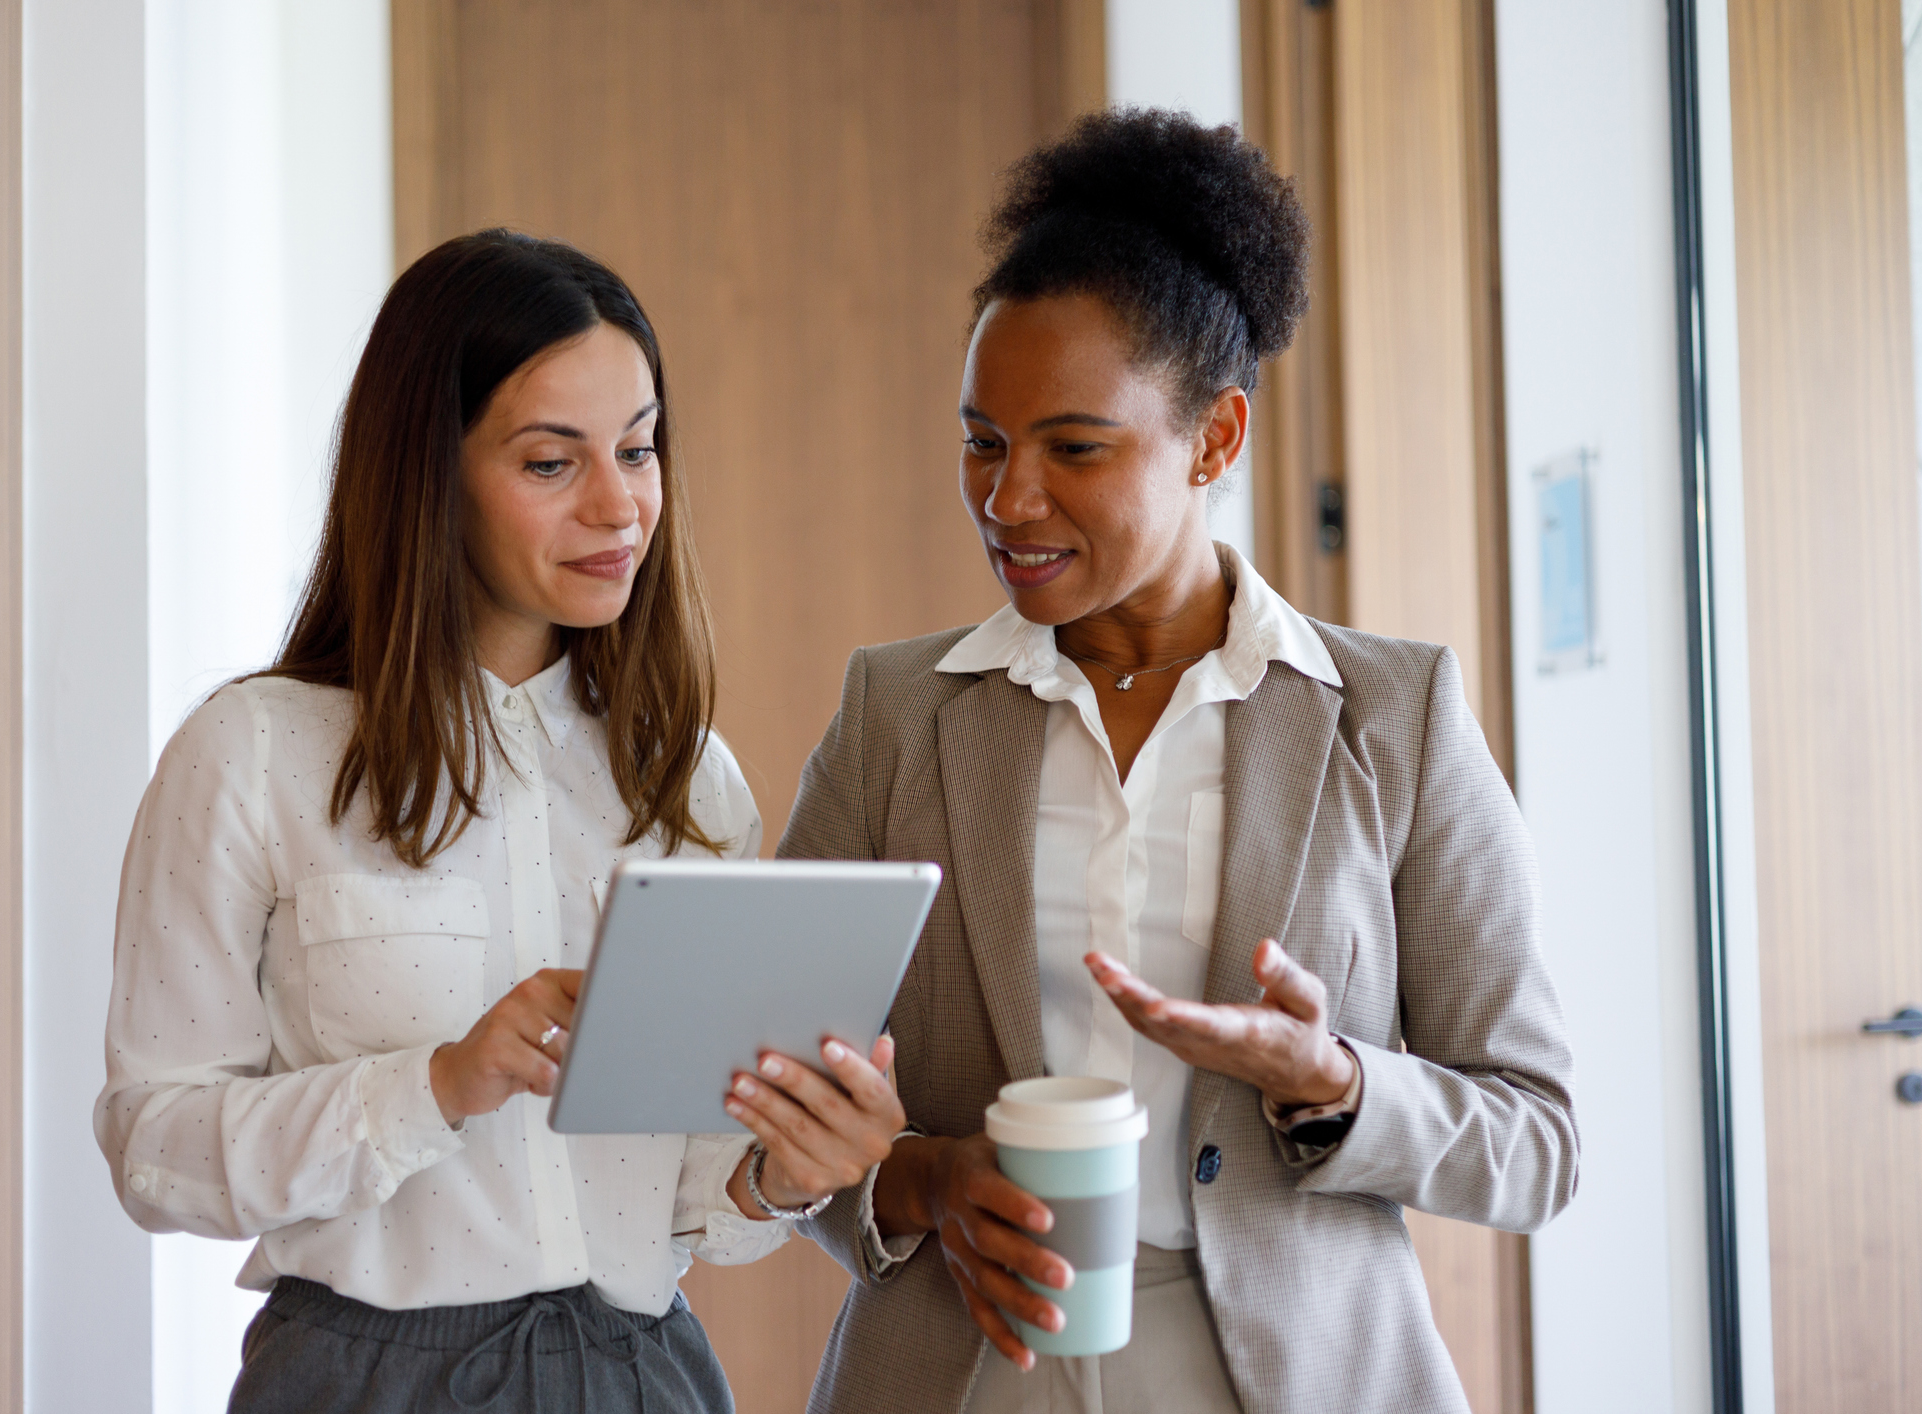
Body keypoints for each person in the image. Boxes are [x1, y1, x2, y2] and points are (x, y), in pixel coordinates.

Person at [781, 110, 1578, 1414]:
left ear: (1214, 439)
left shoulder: (1392, 714)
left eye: (1073, 447)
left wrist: (1335, 1085)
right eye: (982, 439)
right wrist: (917, 1177)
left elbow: (1535, 1141)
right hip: (967, 1363)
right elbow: (778, 1108)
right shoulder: (896, 711)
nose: (1006, 498)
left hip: (1290, 1374)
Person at [96, 230, 905, 1414]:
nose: (619, 504)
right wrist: (434, 1084)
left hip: (646, 1373)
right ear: (430, 471)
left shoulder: (683, 777)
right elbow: (154, 1149)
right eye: (549, 463)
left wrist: (786, 1170)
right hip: (359, 1377)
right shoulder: (254, 752)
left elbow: (690, 1197)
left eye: (639, 450)